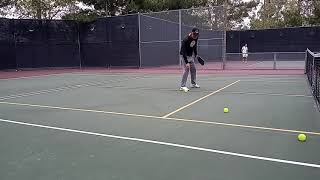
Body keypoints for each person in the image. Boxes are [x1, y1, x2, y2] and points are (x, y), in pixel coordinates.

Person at [179, 28, 200, 92]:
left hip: (190, 56)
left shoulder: (196, 37)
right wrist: (186, 62)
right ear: (192, 33)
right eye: (194, 34)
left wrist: (196, 54)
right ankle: (182, 86)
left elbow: (194, 46)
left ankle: (193, 83)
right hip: (184, 55)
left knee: (193, 69)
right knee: (186, 69)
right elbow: (183, 51)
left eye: (197, 34)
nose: (195, 35)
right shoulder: (186, 39)